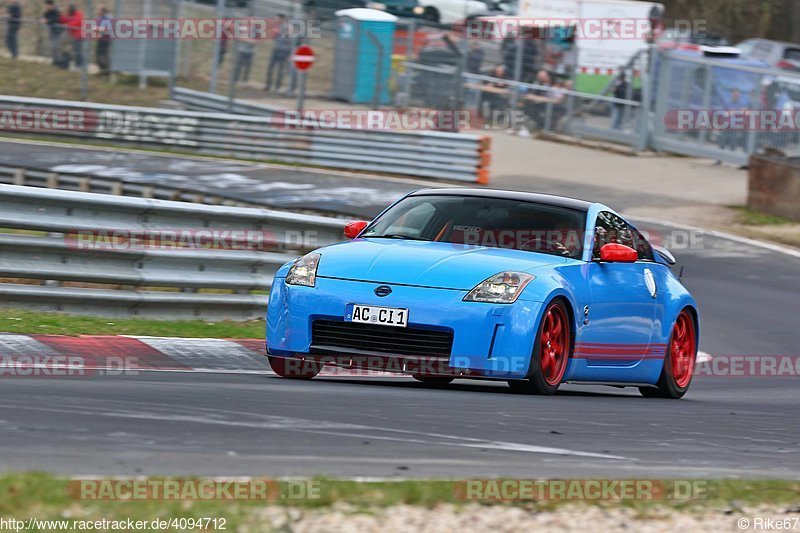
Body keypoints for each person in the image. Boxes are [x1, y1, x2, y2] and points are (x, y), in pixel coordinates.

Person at [265, 14, 291, 93]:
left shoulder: (286, 27)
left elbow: (288, 39)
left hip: (283, 51)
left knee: (280, 69)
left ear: (281, 19)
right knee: (270, 67)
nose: (276, 20)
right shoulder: (277, 27)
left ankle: (277, 86)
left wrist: (279, 33)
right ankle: (268, 85)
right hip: (276, 49)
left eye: (277, 19)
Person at [42, 0, 63, 65]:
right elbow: (45, 17)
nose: (45, 6)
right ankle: (55, 60)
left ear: (50, 5)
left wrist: (47, 21)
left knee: (55, 46)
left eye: (46, 5)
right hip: (52, 31)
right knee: (52, 46)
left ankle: (58, 61)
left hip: (57, 31)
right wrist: (44, 19)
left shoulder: (56, 11)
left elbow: (56, 19)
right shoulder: (47, 11)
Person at [63, 3, 83, 68]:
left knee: (78, 50)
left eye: (68, 9)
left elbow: (76, 23)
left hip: (79, 35)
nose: (67, 11)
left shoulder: (78, 14)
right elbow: (65, 20)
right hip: (73, 35)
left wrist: (68, 25)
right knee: (74, 50)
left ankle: (79, 65)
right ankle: (76, 64)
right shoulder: (69, 14)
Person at [95, 6, 111, 74]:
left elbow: (107, 30)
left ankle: (105, 70)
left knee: (102, 55)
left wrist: (98, 29)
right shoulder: (101, 18)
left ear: (103, 11)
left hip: (104, 40)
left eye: (100, 10)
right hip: (101, 40)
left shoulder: (106, 19)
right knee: (99, 55)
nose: (98, 12)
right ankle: (102, 69)